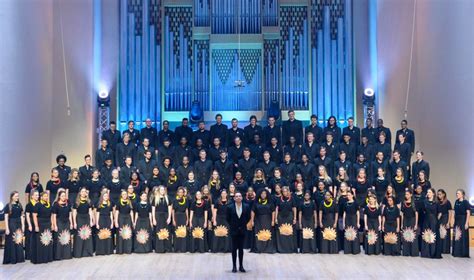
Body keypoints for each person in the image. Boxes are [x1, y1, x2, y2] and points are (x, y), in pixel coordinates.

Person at [226, 191, 251, 273]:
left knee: (241, 249)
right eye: (236, 196)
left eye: (240, 196)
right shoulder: (230, 207)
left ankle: (241, 266)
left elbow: (248, 217)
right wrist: (234, 225)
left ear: (242, 197)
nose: (238, 197)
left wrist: (243, 224)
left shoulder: (246, 206)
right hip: (234, 230)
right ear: (234, 198)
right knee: (234, 249)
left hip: (243, 230)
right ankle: (234, 266)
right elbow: (228, 218)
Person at [3, 191, 25, 264]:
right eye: (16, 196)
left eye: (18, 196)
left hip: (18, 223)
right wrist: (7, 228)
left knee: (19, 240)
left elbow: (22, 216)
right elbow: (6, 217)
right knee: (12, 240)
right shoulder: (8, 205)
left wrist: (23, 225)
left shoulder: (20, 205)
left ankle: (19, 258)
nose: (17, 197)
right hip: (12, 224)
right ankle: (12, 258)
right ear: (12, 197)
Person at [251, 189, 276, 253]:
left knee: (267, 234)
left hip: (268, 220)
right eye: (262, 193)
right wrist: (252, 220)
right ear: (259, 194)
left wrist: (273, 220)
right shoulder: (256, 202)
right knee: (258, 234)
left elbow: (273, 211)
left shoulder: (270, 202)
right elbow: (252, 211)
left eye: (265, 193)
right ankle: (259, 248)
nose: (263, 195)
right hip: (258, 221)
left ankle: (268, 248)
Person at [32, 192, 54, 264]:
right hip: (40, 224)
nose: (46, 197)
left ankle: (47, 258)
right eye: (44, 196)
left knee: (47, 240)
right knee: (41, 241)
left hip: (48, 224)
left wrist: (52, 224)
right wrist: (36, 226)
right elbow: (34, 216)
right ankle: (41, 258)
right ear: (41, 197)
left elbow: (51, 215)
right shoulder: (37, 205)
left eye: (47, 196)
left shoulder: (49, 204)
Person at [72, 187, 94, 258]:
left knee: (87, 235)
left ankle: (87, 252)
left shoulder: (89, 201)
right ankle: (79, 253)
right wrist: (74, 222)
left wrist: (91, 221)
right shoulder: (76, 202)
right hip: (79, 219)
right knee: (80, 236)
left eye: (85, 191)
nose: (84, 193)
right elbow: (74, 213)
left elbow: (90, 212)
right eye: (82, 191)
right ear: (80, 193)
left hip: (87, 219)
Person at [420, 188, 441, 259]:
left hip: (434, 221)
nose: (428, 193)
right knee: (426, 234)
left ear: (433, 193)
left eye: (429, 192)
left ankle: (433, 252)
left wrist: (436, 220)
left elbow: (440, 213)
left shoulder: (437, 202)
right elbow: (422, 211)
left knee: (433, 235)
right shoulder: (425, 202)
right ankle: (426, 252)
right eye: (427, 192)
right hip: (426, 220)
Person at [51, 190, 72, 260]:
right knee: (60, 238)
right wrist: (55, 225)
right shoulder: (56, 204)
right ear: (59, 196)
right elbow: (54, 216)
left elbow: (70, 214)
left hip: (67, 222)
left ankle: (67, 255)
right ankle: (59, 255)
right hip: (59, 222)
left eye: (65, 196)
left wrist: (71, 223)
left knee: (66, 237)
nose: (64, 197)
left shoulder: (68, 203)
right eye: (62, 196)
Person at [151, 186, 172, 253]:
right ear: (159, 190)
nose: (162, 191)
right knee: (158, 231)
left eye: (163, 190)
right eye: (161, 190)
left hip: (165, 216)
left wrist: (169, 217)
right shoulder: (155, 198)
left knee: (166, 231)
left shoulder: (167, 198)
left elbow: (170, 208)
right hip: (158, 216)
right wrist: (154, 219)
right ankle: (160, 248)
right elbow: (153, 209)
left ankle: (167, 248)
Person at [95, 190, 114, 256]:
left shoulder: (110, 204)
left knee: (108, 234)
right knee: (102, 234)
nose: (106, 197)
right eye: (104, 196)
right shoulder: (99, 204)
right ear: (102, 196)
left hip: (108, 219)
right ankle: (101, 251)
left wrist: (112, 223)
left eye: (107, 196)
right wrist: (97, 223)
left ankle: (108, 250)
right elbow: (97, 214)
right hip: (101, 219)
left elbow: (111, 214)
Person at [400, 189, 419, 256]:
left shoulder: (414, 203)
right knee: (406, 235)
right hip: (405, 220)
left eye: (408, 194)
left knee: (412, 235)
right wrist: (402, 224)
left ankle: (413, 252)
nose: (406, 195)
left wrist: (416, 224)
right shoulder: (403, 203)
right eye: (405, 194)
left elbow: (416, 214)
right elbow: (402, 214)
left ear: (411, 195)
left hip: (412, 220)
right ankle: (406, 252)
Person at [452, 189, 470, 258]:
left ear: (462, 194)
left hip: (463, 220)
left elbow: (468, 213)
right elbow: (454, 211)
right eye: (456, 193)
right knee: (456, 236)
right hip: (457, 220)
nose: (457, 194)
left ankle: (463, 253)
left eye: (458, 193)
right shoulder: (456, 201)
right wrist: (453, 220)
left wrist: (466, 223)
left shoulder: (465, 202)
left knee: (462, 236)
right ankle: (456, 252)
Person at [115, 190, 134, 254]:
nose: (124, 195)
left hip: (128, 218)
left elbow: (131, 212)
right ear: (121, 195)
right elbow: (117, 212)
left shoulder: (129, 202)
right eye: (123, 194)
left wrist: (132, 221)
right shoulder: (118, 202)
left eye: (125, 194)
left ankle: (128, 249)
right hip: (121, 218)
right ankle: (121, 250)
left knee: (128, 233)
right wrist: (116, 221)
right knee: (121, 233)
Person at [172, 187, 189, 252]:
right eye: (179, 192)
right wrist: (173, 219)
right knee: (177, 231)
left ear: (183, 193)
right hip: (177, 216)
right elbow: (173, 211)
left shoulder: (186, 200)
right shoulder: (174, 200)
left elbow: (187, 210)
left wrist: (187, 219)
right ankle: (177, 248)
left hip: (183, 216)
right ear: (177, 193)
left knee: (183, 231)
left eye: (182, 192)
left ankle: (183, 248)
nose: (181, 193)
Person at [25, 189, 39, 261]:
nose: (37, 196)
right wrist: (29, 225)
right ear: (32, 196)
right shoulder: (29, 205)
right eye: (36, 195)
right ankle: (29, 255)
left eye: (38, 195)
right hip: (30, 222)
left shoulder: (39, 204)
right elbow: (27, 215)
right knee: (30, 239)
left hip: (36, 222)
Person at [437, 189, 452, 254]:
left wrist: (448, 222)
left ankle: (445, 250)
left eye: (440, 194)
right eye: (438, 194)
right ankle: (439, 249)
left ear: (443, 194)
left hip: (445, 218)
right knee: (440, 233)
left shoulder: (447, 202)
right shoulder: (437, 202)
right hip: (439, 219)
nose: (439, 195)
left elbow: (450, 212)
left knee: (445, 234)